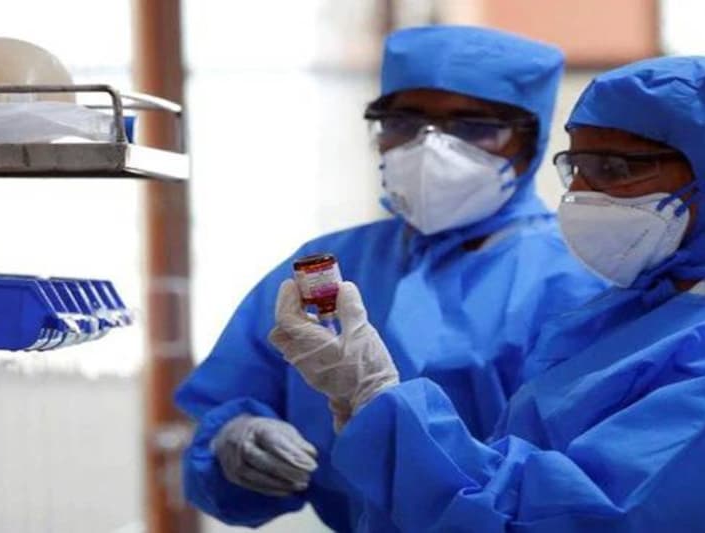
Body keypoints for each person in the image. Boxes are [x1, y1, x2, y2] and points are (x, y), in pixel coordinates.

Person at [271, 56, 705, 531]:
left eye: (619, 171)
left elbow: (564, 515)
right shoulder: (631, 316)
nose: (585, 196)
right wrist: (364, 406)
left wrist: (379, 399)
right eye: (579, 168)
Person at [175, 25, 606, 530]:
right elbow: (227, 404)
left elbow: (589, 482)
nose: (431, 147)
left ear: (530, 140)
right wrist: (235, 440)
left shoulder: (584, 276)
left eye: (472, 127)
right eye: (402, 120)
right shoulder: (328, 264)